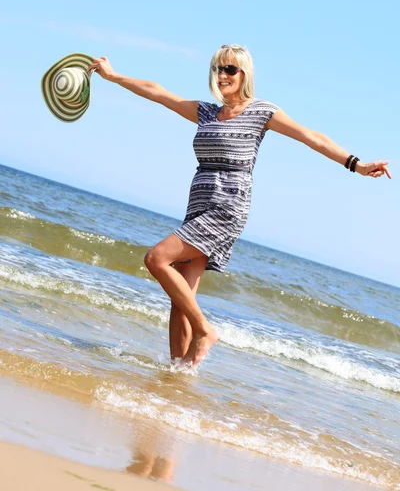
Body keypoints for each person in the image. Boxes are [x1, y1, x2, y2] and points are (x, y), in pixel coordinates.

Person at [88, 44, 391, 367]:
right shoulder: (206, 112)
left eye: (229, 69)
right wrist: (115, 76)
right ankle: (179, 374)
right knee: (181, 298)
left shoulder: (262, 112)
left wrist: (357, 165)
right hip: (199, 204)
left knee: (157, 259)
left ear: (244, 73)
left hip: (228, 205)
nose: (222, 76)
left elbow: (310, 136)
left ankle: (205, 330)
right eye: (218, 69)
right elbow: (159, 93)